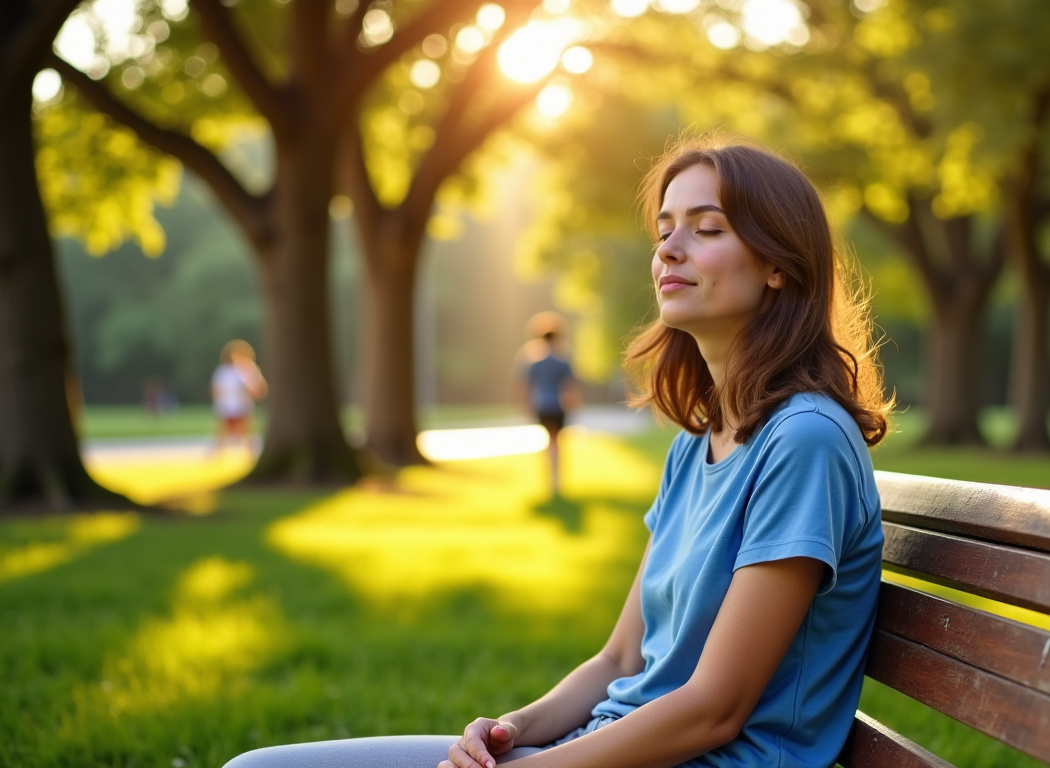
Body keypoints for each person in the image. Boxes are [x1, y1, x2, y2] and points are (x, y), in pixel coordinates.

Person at [222, 137, 892, 768]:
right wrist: (512, 730)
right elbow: (621, 658)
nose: (669, 251)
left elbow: (714, 712)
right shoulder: (699, 443)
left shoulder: (803, 442)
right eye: (663, 231)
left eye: (706, 229)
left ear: (779, 264)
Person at [514, 312, 582, 496]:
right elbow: (571, 386)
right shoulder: (563, 359)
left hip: (542, 406)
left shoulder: (534, 360)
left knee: (549, 442)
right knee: (557, 442)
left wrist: (525, 406)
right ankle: (556, 480)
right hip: (558, 407)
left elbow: (525, 386)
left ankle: (550, 480)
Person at [211, 340, 267, 453]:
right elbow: (215, 390)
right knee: (222, 434)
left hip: (243, 407)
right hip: (226, 407)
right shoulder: (223, 371)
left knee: (246, 434)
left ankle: (251, 454)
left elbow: (260, 389)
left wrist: (247, 391)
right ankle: (216, 456)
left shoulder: (249, 370)